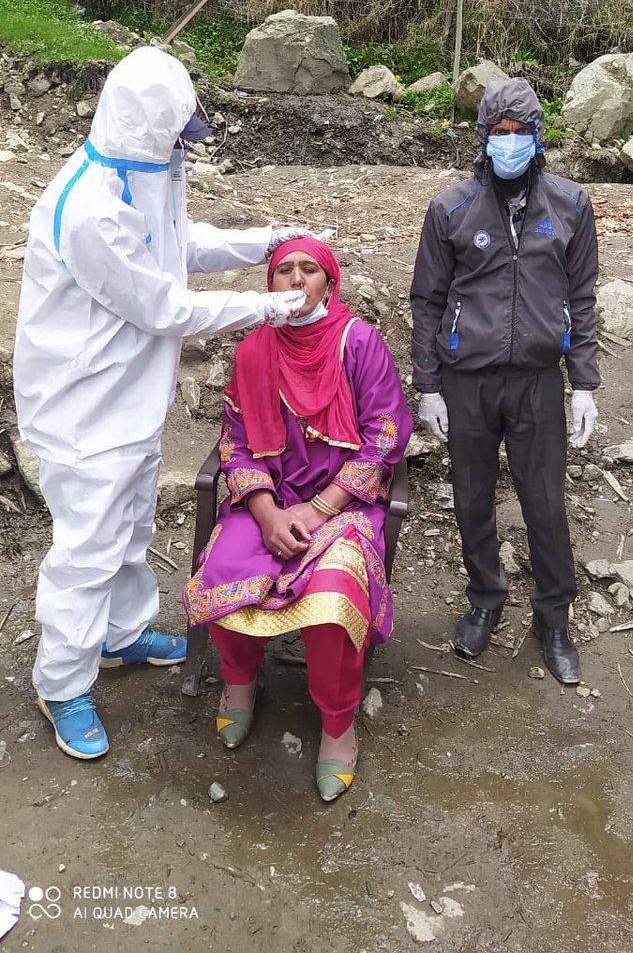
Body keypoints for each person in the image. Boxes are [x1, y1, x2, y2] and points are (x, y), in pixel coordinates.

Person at [14, 45, 310, 760]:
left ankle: (120, 634)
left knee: (127, 528)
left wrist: (266, 241)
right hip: (84, 411)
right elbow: (164, 304)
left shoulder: (143, 174)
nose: (185, 149)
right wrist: (268, 307)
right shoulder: (90, 207)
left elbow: (179, 244)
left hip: (129, 399)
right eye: (177, 136)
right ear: (150, 129)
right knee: (87, 551)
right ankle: (62, 683)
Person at [183, 237, 412, 801]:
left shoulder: (358, 342)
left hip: (342, 504)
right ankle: (238, 684)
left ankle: (337, 723)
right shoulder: (253, 351)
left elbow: (385, 436)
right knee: (224, 571)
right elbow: (235, 442)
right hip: (270, 498)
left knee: (335, 596)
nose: (295, 279)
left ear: (328, 284)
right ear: (270, 286)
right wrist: (264, 511)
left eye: (310, 270)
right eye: (283, 270)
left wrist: (319, 507)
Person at [410, 77, 600, 685]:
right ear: (483, 137)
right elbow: (428, 300)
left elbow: (583, 298)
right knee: (471, 496)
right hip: (468, 381)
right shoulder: (450, 209)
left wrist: (586, 383)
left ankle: (554, 617)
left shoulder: (570, 206)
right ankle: (485, 597)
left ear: (539, 137)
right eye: (500, 132)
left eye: (521, 133)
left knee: (544, 501)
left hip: (538, 380)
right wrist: (428, 384)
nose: (511, 143)